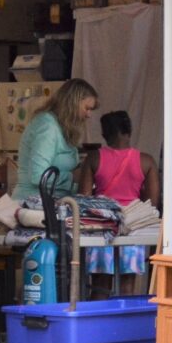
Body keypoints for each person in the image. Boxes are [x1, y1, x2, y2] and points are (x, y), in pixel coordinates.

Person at [79, 111, 159, 295]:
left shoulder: (94, 158)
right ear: (128, 132)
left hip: (102, 227)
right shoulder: (146, 161)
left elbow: (84, 199)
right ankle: (124, 322)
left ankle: (97, 322)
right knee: (127, 286)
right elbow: (152, 204)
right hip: (133, 228)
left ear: (105, 135)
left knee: (100, 285)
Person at [11, 78, 99, 201]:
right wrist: (72, 177)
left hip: (52, 202)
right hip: (32, 202)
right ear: (73, 103)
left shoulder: (63, 127)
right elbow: (38, 176)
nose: (88, 115)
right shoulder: (47, 126)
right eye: (87, 108)